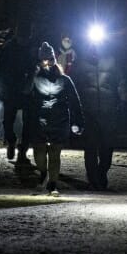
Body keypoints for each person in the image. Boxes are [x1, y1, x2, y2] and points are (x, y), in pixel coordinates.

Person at [30, 41, 85, 196]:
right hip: (40, 121)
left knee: (55, 154)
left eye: (50, 60)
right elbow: (25, 94)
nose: (47, 63)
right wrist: (32, 76)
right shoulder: (34, 79)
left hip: (59, 121)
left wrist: (78, 122)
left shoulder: (65, 80)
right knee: (39, 153)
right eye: (44, 60)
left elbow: (75, 101)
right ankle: (42, 173)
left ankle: (52, 184)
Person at [73, 39, 121, 190]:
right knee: (91, 146)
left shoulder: (111, 61)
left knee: (107, 146)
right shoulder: (80, 64)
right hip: (88, 112)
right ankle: (93, 178)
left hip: (108, 110)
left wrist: (122, 99)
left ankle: (102, 172)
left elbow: (120, 82)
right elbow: (74, 86)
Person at [0, 22, 37, 167]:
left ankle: (22, 151)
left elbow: (35, 67)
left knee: (28, 123)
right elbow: (0, 70)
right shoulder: (8, 48)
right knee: (8, 121)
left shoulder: (32, 48)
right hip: (11, 89)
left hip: (27, 90)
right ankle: (11, 141)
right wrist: (1, 89)